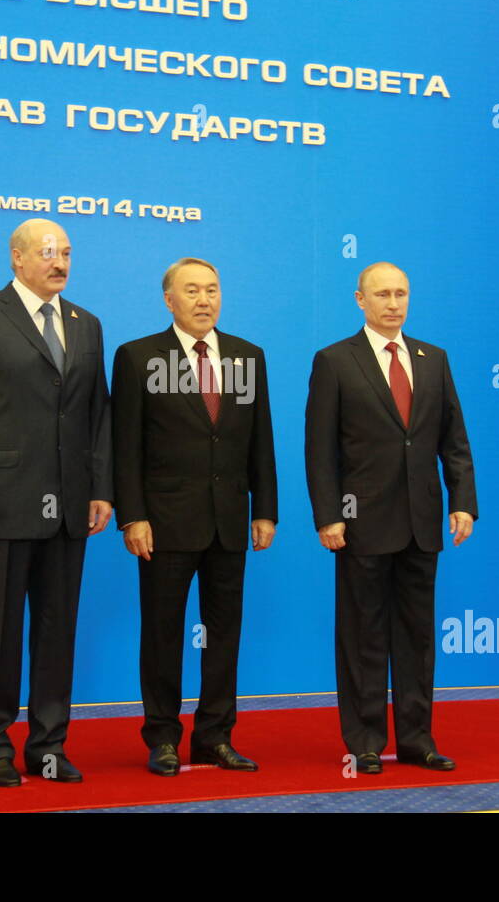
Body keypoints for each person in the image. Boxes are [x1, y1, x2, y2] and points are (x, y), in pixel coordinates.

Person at [0, 219, 113, 787]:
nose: (59, 262)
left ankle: (49, 747)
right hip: (0, 504)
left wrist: (102, 489)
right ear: (16, 258)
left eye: (66, 253)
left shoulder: (87, 325)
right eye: (47, 253)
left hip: (69, 507)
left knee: (57, 634)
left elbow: (97, 415)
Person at [304, 261, 477, 774]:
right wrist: (329, 515)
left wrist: (462, 500)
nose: (393, 303)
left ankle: (417, 740)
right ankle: (365, 742)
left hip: (422, 523)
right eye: (382, 294)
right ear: (360, 300)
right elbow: (320, 450)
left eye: (401, 293)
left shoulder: (434, 359)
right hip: (359, 524)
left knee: (418, 637)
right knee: (363, 635)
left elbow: (454, 441)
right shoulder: (334, 360)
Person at [111, 257, 277, 776]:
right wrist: (132, 515)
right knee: (162, 634)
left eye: (212, 290)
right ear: (169, 299)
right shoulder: (138, 357)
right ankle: (162, 737)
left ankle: (214, 737)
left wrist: (265, 509)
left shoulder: (248, 357)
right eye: (192, 291)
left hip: (230, 519)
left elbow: (261, 441)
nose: (204, 300)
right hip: (163, 523)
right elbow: (125, 446)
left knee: (224, 633)